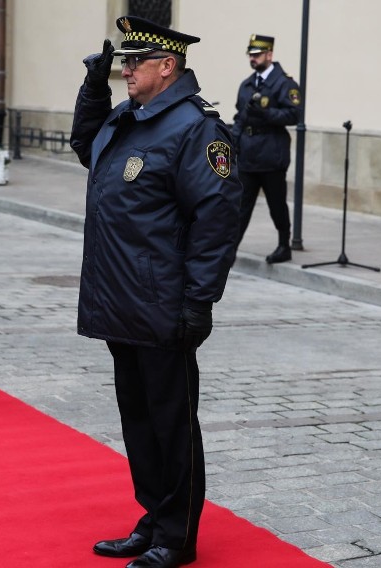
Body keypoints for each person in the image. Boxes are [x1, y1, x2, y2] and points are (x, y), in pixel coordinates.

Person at [70, 16, 241, 568]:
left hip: (162, 301)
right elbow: (85, 148)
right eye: (123, 62)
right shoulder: (131, 116)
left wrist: (199, 300)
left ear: (167, 66)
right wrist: (93, 90)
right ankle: (152, 517)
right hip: (121, 297)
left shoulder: (196, 128)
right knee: (138, 420)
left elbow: (217, 219)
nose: (125, 69)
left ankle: (178, 535)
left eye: (133, 62)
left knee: (171, 421)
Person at [232, 34, 303, 264]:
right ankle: (229, 251)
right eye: (251, 55)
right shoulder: (246, 85)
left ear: (269, 55)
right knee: (240, 207)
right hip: (248, 155)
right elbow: (240, 117)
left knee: (276, 205)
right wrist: (233, 140)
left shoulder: (284, 83)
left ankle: (285, 245)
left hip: (272, 154)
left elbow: (294, 114)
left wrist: (267, 114)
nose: (253, 59)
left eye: (257, 55)